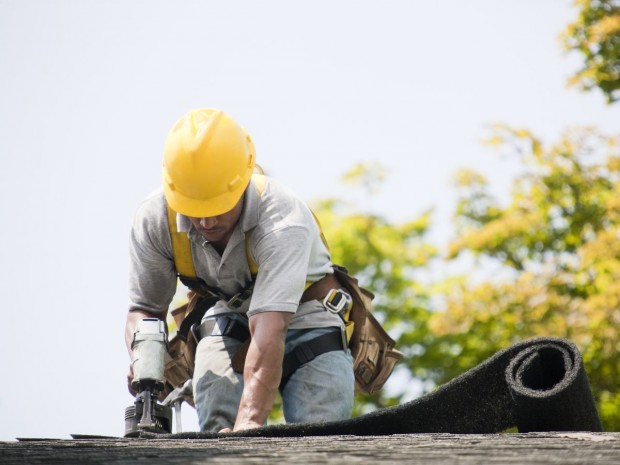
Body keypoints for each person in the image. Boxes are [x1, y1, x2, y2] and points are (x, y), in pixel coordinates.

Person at [125, 108, 355, 432]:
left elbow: (270, 327)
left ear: (243, 181)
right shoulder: (155, 220)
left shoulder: (281, 218)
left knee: (319, 434)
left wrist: (248, 429)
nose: (206, 222)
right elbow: (145, 311)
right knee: (214, 406)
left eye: (217, 207)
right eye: (194, 209)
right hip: (230, 313)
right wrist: (145, 361)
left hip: (308, 316)